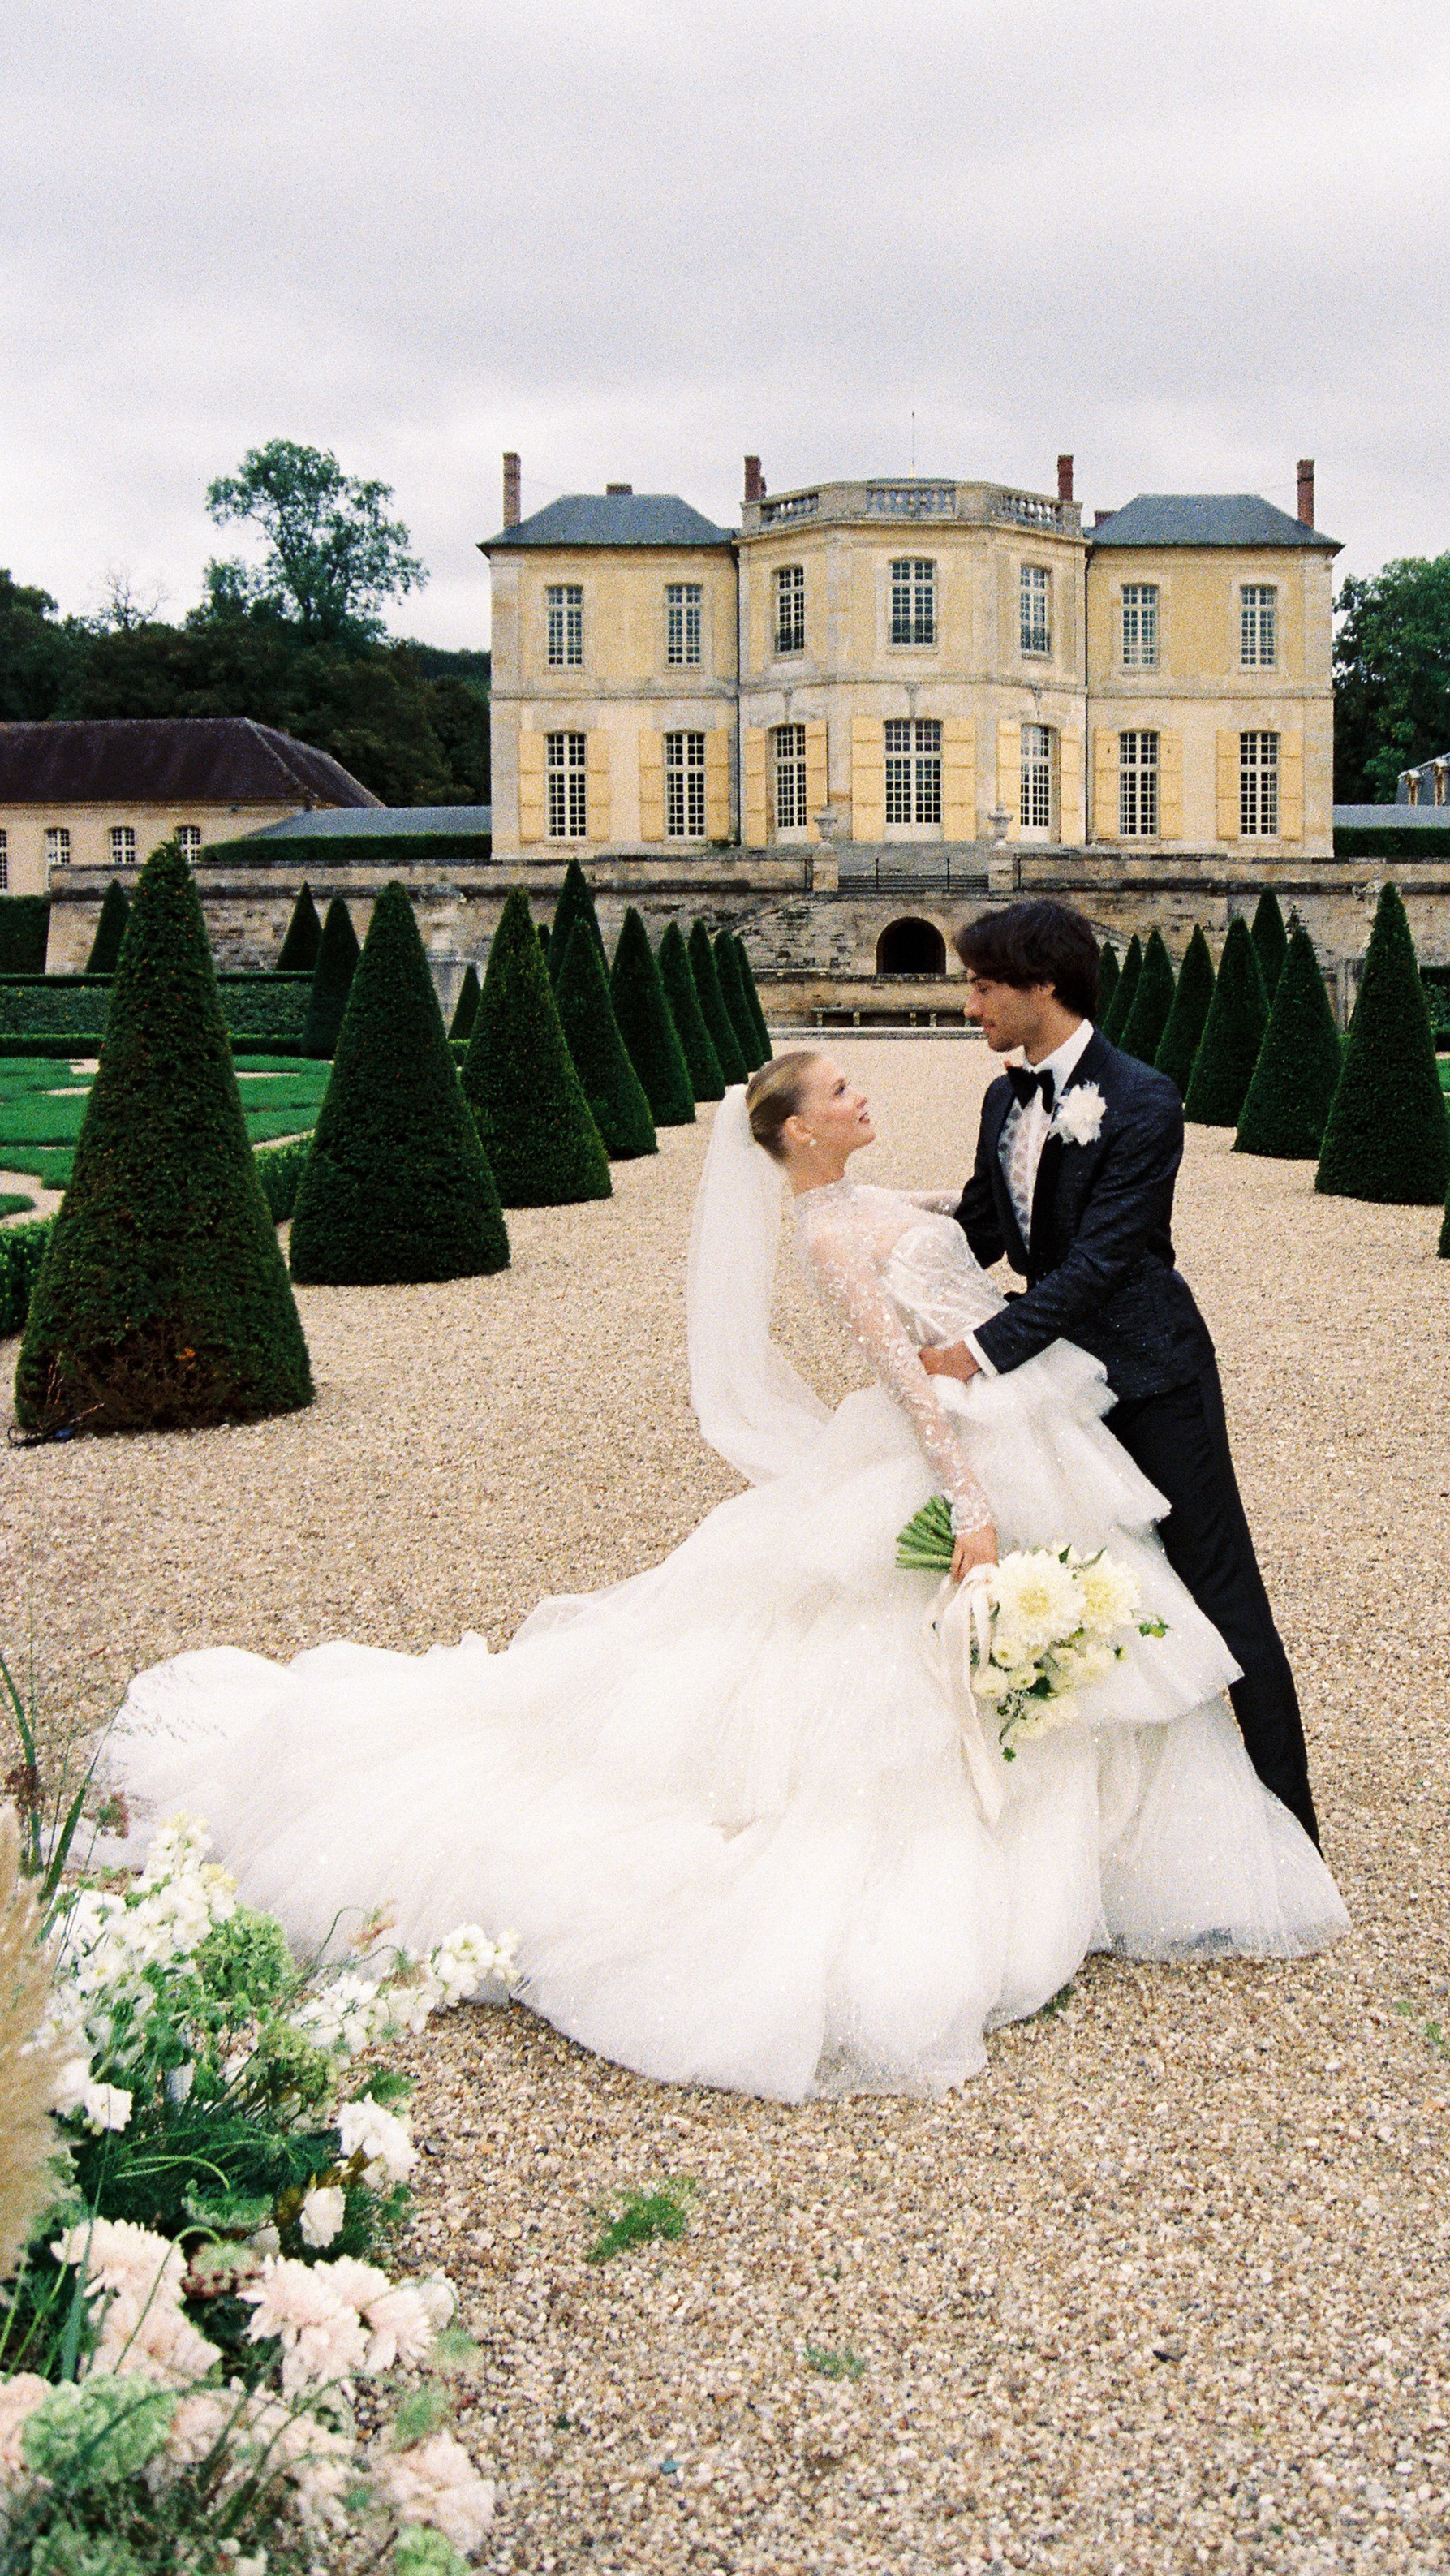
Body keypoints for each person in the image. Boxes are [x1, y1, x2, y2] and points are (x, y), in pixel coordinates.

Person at [99, 1050, 1344, 2103]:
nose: (864, 1096)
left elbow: (957, 1233)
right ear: (800, 1128)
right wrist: (970, 1511)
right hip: (969, 1449)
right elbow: (914, 1378)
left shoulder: (862, 1201)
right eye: (844, 1089)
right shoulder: (830, 1232)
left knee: (1108, 1621)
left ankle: (1134, 1836)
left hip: (1037, 1423)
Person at [922, 900, 1321, 1841]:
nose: (970, 1004)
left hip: (1149, 1373)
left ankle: (1294, 1830)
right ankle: (1121, 1827)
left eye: (983, 986)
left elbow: (1103, 1262)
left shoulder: (1141, 1095)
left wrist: (975, 1352)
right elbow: (984, 1227)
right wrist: (880, 1250)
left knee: (1220, 1591)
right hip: (1053, 1384)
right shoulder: (1001, 1097)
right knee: (1087, 1587)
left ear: (1043, 986)